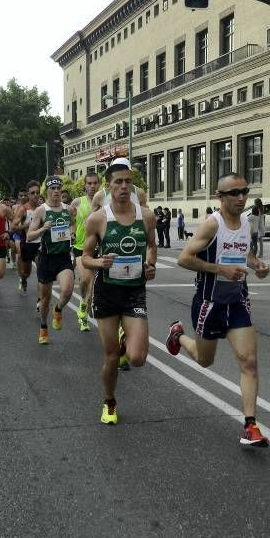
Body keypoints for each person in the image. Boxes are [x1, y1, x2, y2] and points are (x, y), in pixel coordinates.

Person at [165, 173, 270, 446]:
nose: (240, 197)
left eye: (244, 191)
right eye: (233, 193)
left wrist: (256, 265)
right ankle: (178, 336)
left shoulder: (247, 223)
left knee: (249, 361)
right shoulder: (212, 224)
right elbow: (184, 258)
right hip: (209, 303)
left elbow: (245, 253)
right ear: (219, 197)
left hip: (237, 300)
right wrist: (220, 269)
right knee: (204, 360)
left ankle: (250, 426)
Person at [81, 161, 157, 424]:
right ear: (108, 186)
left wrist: (151, 265)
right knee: (112, 355)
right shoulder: (98, 219)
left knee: (137, 358)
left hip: (134, 290)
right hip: (107, 293)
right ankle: (109, 401)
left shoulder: (145, 216)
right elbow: (85, 257)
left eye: (128, 181)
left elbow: (151, 246)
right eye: (118, 182)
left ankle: (127, 342)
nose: (124, 186)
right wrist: (100, 263)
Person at [27, 176, 76, 344]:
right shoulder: (41, 210)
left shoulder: (68, 209)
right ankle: (43, 327)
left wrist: (73, 232)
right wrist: (42, 229)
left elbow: (73, 224)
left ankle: (59, 308)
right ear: (46, 191)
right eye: (52, 188)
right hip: (46, 258)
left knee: (68, 289)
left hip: (63, 257)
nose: (56, 191)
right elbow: (29, 235)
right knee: (45, 298)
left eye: (58, 188)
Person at [70, 172, 101, 332]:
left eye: (95, 183)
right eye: (89, 183)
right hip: (81, 248)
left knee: (93, 285)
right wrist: (73, 232)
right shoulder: (77, 202)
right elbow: (70, 219)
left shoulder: (105, 204)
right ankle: (83, 304)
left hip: (99, 249)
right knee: (85, 280)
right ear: (85, 185)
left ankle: (84, 313)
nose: (92, 186)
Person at [11, 180, 41, 295]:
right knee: (26, 272)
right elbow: (13, 227)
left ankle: (41, 297)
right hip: (27, 244)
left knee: (41, 269)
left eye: (37, 192)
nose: (35, 195)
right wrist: (26, 226)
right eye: (32, 193)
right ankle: (23, 280)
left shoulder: (43, 208)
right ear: (28, 195)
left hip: (40, 244)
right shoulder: (23, 209)